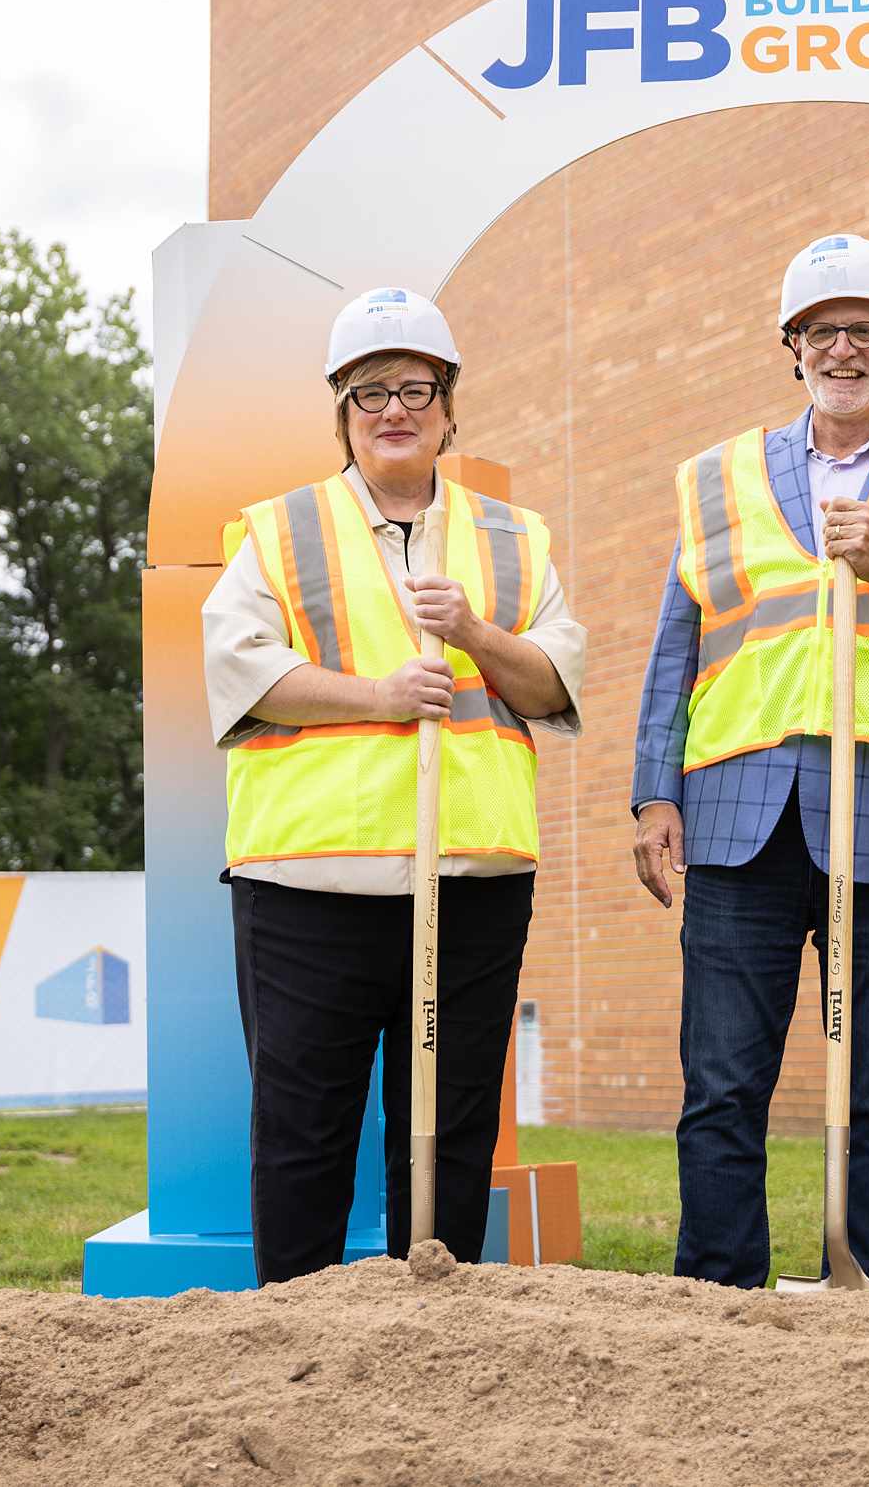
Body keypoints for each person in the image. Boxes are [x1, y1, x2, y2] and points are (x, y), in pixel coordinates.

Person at [631, 233, 869, 1288]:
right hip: (736, 813)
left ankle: (862, 1289)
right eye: (821, 328)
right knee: (720, 1081)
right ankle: (718, 1293)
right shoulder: (712, 478)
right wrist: (653, 795)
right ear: (789, 345)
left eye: (866, 328)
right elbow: (678, 645)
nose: (842, 346)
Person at [202, 286, 586, 1283]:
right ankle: (293, 1329)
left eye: (415, 387)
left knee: (450, 1131)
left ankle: (434, 1338)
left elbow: (553, 680)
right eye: (369, 392)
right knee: (302, 1127)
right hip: (307, 883)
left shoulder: (512, 539)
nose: (394, 409)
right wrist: (379, 692)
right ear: (342, 414)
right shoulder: (278, 533)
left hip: (472, 877)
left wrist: (472, 634)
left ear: (450, 408)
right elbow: (242, 671)